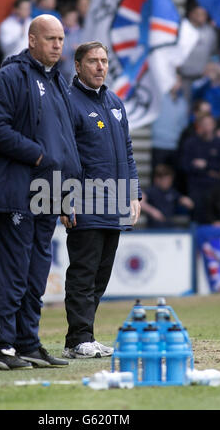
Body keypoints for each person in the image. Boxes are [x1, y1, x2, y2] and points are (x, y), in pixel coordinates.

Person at [0, 15, 82, 370]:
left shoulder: (60, 84)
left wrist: (66, 194)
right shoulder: (9, 77)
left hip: (48, 193)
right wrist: (35, 153)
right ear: (31, 40)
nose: (57, 45)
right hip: (16, 191)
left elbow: (65, 145)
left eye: (61, 39)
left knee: (37, 273)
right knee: (15, 270)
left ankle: (28, 343)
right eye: (50, 38)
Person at [60, 41, 141, 359]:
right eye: (92, 61)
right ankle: (77, 339)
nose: (100, 66)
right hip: (85, 202)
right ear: (78, 66)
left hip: (115, 204)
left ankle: (84, 337)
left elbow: (129, 152)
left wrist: (134, 193)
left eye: (104, 61)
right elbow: (62, 154)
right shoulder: (67, 102)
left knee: (101, 273)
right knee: (83, 271)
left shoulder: (115, 101)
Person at [180, 114, 220, 223]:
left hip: (216, 186)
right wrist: (208, 170)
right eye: (204, 124)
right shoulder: (191, 143)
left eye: (209, 124)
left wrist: (206, 165)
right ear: (199, 126)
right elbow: (185, 166)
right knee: (197, 216)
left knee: (217, 217)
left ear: (214, 125)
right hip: (196, 186)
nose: (207, 127)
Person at [151, 75, 189, 178]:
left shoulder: (183, 103)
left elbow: (183, 124)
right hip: (159, 144)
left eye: (178, 82)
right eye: (173, 81)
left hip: (175, 146)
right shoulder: (160, 98)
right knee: (157, 176)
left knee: (173, 177)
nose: (175, 84)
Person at [179, 5, 218, 102]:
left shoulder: (210, 32)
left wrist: (212, 66)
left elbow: (214, 54)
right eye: (199, 14)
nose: (202, 17)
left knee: (203, 107)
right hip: (183, 77)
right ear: (191, 14)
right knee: (185, 107)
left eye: (204, 14)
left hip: (203, 76)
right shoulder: (181, 29)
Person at [141, 164, 194, 229]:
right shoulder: (151, 191)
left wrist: (187, 201)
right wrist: (153, 211)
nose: (168, 182)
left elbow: (183, 200)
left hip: (169, 226)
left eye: (170, 180)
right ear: (157, 180)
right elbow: (140, 202)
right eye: (166, 180)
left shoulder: (172, 192)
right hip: (154, 228)